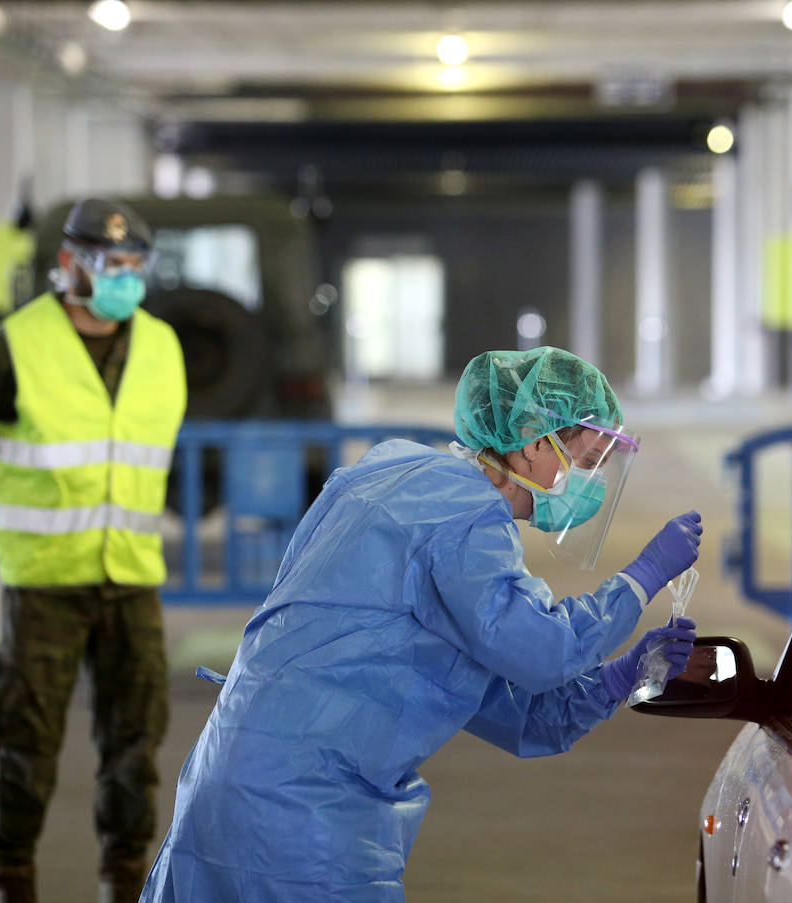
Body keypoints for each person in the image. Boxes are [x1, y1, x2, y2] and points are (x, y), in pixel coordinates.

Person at [141, 345, 703, 902]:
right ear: (533, 445)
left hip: (226, 787)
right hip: (304, 818)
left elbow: (520, 707)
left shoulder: (396, 473)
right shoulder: (465, 520)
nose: (593, 485)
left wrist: (617, 678)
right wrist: (639, 580)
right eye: (586, 463)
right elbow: (543, 651)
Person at [0, 199, 186, 903]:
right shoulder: (19, 343)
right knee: (27, 749)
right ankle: (14, 881)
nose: (126, 278)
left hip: (131, 579)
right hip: (44, 585)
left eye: (135, 266)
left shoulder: (161, 344)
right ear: (70, 266)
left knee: (136, 751)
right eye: (110, 264)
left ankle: (122, 883)